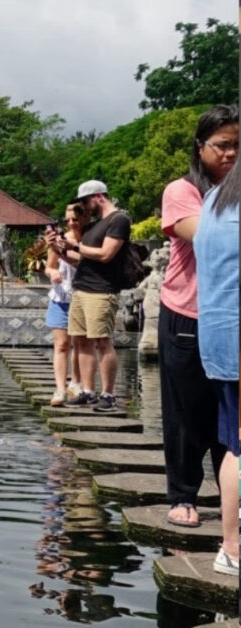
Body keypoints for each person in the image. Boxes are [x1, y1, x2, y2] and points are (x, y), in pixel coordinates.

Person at [156, 105, 238, 528]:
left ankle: (231, 502)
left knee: (232, 415)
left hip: (231, 317)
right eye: (222, 145)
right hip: (188, 313)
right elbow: (206, 234)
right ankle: (183, 494)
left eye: (238, 146)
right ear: (200, 147)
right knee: (186, 413)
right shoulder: (182, 190)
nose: (230, 154)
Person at [193, 159, 239, 575]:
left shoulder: (215, 198)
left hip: (220, 340)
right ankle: (233, 547)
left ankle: (231, 544)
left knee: (235, 446)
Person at [51, 180, 130, 412]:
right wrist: (60, 250)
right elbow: (82, 259)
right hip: (81, 288)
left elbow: (106, 254)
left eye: (85, 202)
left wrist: (74, 247)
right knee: (81, 342)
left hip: (101, 290)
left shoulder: (119, 220)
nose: (84, 208)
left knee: (102, 342)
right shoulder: (96, 225)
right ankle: (88, 390)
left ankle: (108, 394)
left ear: (98, 196)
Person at [43, 204, 90, 406]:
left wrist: (66, 253)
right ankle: (60, 389)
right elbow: (49, 266)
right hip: (61, 297)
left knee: (81, 344)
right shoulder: (59, 241)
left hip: (84, 296)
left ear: (85, 217)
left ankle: (76, 383)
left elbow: (87, 263)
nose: (71, 223)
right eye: (68, 219)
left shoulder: (91, 240)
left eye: (75, 219)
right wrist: (52, 273)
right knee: (61, 344)